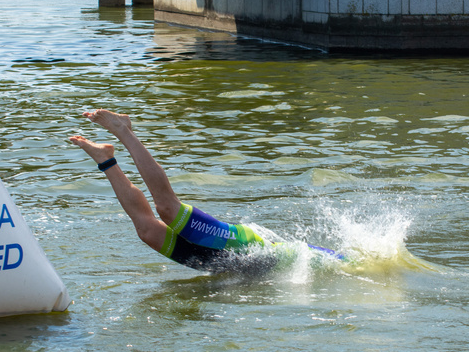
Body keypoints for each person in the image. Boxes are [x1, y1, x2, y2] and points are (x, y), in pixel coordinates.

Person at [70, 109, 343, 273]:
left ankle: (105, 158)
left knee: (148, 232)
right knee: (167, 208)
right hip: (249, 249)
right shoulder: (344, 263)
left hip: (226, 268)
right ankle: (123, 129)